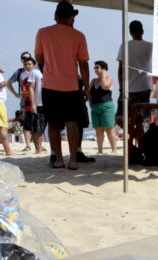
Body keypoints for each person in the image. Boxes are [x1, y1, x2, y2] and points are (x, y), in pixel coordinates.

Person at [35, 0, 90, 170]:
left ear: (56, 15)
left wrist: (47, 72)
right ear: (71, 16)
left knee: (53, 123)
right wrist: (87, 87)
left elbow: (39, 58)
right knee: (71, 123)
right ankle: (73, 160)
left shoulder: (42, 33)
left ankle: (58, 159)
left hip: (50, 85)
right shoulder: (78, 36)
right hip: (71, 86)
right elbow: (83, 64)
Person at [116, 20, 153, 124]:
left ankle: (132, 133)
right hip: (145, 87)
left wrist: (121, 88)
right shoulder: (150, 46)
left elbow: (120, 70)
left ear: (130, 32)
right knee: (142, 121)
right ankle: (138, 136)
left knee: (120, 119)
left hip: (128, 88)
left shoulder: (124, 45)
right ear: (143, 31)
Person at [7, 51, 34, 152]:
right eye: (23, 58)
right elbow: (9, 83)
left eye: (27, 58)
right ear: (21, 60)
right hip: (24, 102)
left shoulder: (36, 71)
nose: (25, 59)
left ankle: (38, 145)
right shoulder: (19, 72)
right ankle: (28, 145)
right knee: (26, 124)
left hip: (37, 101)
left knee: (36, 124)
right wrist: (15, 94)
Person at [90, 60, 116, 154]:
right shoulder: (93, 81)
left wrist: (104, 74)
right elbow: (89, 94)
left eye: (97, 67)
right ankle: (100, 150)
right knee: (98, 129)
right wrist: (90, 104)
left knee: (109, 129)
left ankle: (114, 150)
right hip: (95, 108)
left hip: (107, 107)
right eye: (95, 67)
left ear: (104, 69)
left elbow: (105, 86)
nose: (95, 69)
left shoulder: (109, 79)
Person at [21, 57, 46, 154]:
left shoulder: (50, 68)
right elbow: (29, 88)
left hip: (49, 103)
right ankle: (37, 149)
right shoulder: (34, 72)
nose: (27, 66)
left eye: (29, 64)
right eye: (25, 64)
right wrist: (33, 104)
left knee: (51, 127)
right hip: (37, 104)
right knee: (37, 128)